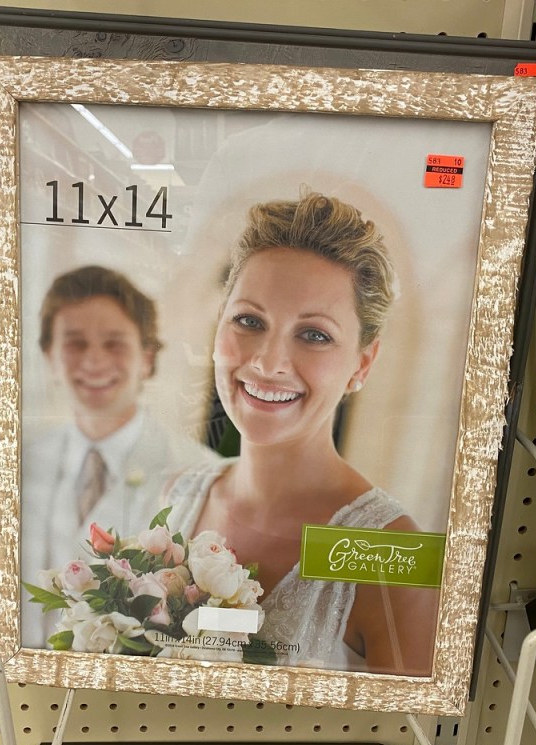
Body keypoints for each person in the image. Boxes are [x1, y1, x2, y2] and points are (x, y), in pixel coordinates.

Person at [165, 190, 439, 675]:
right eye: (249, 320)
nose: (268, 363)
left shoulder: (395, 554)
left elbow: (400, 742)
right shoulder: (179, 493)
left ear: (363, 363)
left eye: (314, 334)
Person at [20, 265, 216, 649]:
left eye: (114, 344)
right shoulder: (21, 460)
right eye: (75, 343)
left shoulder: (201, 474)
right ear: (50, 356)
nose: (94, 361)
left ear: (146, 357)